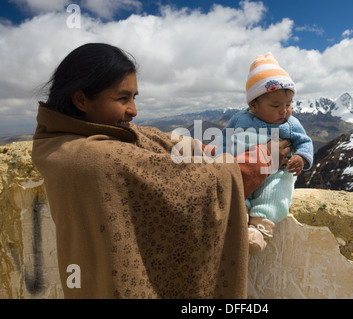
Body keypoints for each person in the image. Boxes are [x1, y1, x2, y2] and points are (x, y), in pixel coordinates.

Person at [31, 43, 292, 299]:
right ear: (81, 99)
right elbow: (190, 192)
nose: (133, 110)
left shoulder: (59, 143)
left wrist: (203, 150)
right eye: (123, 98)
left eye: (134, 97)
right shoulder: (96, 158)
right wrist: (262, 160)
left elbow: (155, 139)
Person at [221, 53, 314, 255]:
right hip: (242, 169)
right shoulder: (239, 120)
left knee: (277, 192)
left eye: (288, 104)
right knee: (235, 190)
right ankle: (239, 219)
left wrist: (301, 157)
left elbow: (304, 142)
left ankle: (260, 229)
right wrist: (220, 159)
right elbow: (224, 140)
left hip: (276, 173)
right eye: (276, 105)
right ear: (253, 105)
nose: (284, 111)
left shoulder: (291, 124)